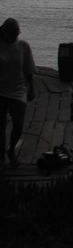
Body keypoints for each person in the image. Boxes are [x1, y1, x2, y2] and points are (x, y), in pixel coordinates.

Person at [0, 18, 36, 170]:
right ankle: (2, 156)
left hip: (18, 90)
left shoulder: (23, 46)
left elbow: (29, 69)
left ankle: (11, 149)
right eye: (13, 33)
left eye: (17, 33)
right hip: (0, 91)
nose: (15, 36)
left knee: (19, 125)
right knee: (0, 126)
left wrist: (31, 88)